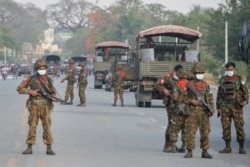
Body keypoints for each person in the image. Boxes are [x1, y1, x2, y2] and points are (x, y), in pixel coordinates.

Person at [16, 59, 56, 155]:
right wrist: (30, 92)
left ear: (46, 69)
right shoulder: (31, 78)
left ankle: (49, 148)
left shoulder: (49, 79)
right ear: (37, 69)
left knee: (47, 127)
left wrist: (53, 97)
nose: (42, 70)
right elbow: (20, 88)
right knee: (32, 127)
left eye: (43, 68)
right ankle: (29, 147)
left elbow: (53, 91)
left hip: (45, 107)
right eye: (40, 68)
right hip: (34, 106)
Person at [216, 62, 249, 154]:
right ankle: (227, 147)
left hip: (237, 106)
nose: (230, 71)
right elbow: (219, 94)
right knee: (226, 127)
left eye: (231, 70)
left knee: (239, 126)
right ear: (226, 70)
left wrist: (245, 100)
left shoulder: (238, 79)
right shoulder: (222, 80)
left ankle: (241, 147)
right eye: (228, 70)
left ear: (234, 70)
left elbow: (245, 91)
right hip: (225, 106)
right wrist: (218, 108)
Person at [184, 62, 215, 159]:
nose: (200, 74)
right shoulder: (189, 85)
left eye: (201, 72)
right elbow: (181, 98)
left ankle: (205, 151)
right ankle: (189, 151)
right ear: (194, 73)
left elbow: (209, 99)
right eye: (198, 72)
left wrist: (211, 109)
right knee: (191, 132)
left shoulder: (206, 85)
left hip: (204, 112)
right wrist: (191, 101)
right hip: (192, 112)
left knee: (205, 132)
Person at [156, 64, 186, 153]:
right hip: (171, 104)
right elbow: (157, 85)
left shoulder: (184, 78)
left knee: (183, 124)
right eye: (178, 72)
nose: (179, 74)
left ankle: (182, 145)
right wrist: (164, 90)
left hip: (182, 104)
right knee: (171, 124)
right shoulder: (168, 77)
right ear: (174, 71)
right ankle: (168, 145)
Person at [164, 68, 190, 153]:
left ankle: (173, 146)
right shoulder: (191, 84)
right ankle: (184, 146)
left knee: (173, 128)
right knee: (186, 127)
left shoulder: (177, 84)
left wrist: (172, 96)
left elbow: (175, 97)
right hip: (188, 110)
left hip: (178, 109)